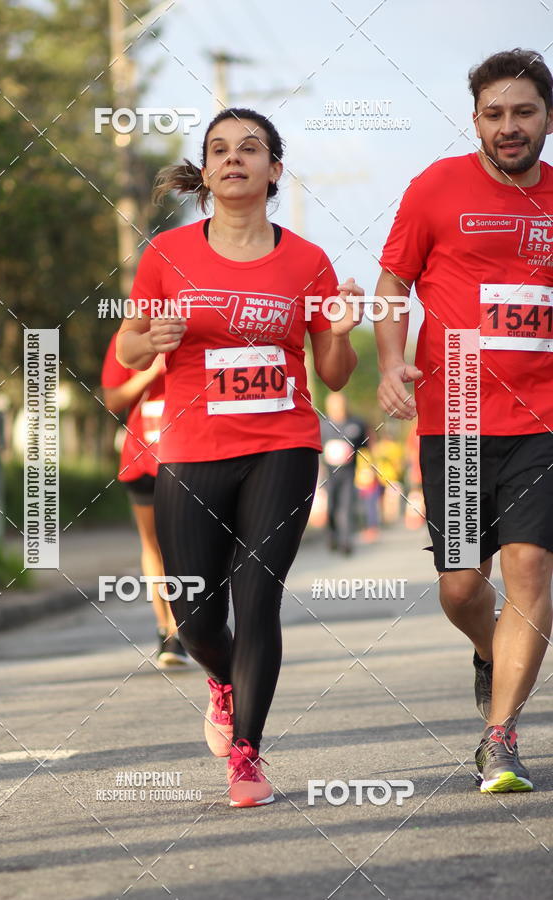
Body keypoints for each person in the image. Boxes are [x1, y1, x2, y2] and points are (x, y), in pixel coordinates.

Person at [117, 107, 364, 807]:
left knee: (257, 598)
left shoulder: (308, 261)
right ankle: (221, 680)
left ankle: (249, 755)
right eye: (219, 149)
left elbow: (336, 374)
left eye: (249, 149)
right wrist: (151, 339)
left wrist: (341, 332)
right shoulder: (167, 255)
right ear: (207, 170)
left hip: (281, 445)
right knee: (196, 615)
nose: (234, 159)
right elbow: (128, 348)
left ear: (272, 170)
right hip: (192, 448)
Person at [375, 49, 553, 793]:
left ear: (547, 116)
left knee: (532, 568)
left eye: (524, 112)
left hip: (544, 417)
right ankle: (491, 650)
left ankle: (500, 736)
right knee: (458, 586)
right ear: (475, 117)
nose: (509, 127)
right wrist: (389, 362)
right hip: (455, 417)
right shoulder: (436, 187)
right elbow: (391, 282)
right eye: (495, 113)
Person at [101, 331, 187, 667]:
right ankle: (168, 632)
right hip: (143, 457)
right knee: (154, 545)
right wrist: (151, 372)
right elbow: (112, 399)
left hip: (191, 455)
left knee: (185, 543)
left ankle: (192, 627)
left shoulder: (197, 327)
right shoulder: (128, 338)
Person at [321, 391, 367, 554]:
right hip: (329, 474)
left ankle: (346, 542)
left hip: (349, 473)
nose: (338, 408)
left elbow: (366, 447)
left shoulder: (356, 424)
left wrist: (367, 469)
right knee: (332, 506)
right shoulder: (323, 425)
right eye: (334, 405)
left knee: (347, 505)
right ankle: (332, 537)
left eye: (340, 404)